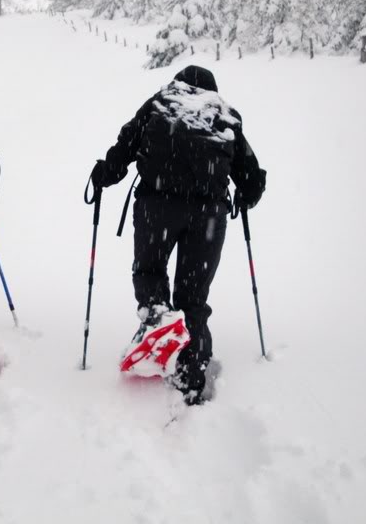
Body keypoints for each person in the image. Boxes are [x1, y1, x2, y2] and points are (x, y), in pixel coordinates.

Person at [89, 65, 266, 405]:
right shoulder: (226, 116)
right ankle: (191, 376)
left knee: (150, 273)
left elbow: (125, 146)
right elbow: (252, 179)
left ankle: (158, 319)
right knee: (193, 295)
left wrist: (104, 174)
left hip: (157, 207)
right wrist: (246, 195)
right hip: (208, 216)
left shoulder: (158, 104)